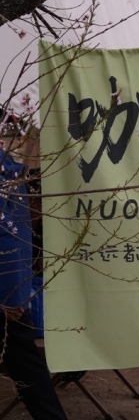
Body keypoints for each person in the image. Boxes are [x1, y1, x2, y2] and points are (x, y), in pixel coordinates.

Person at [0, 121, 68, 419]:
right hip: (11, 288)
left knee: (27, 367)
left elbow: (11, 235)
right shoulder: (11, 171)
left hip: (6, 293)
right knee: (27, 366)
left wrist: (11, 295)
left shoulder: (8, 174)